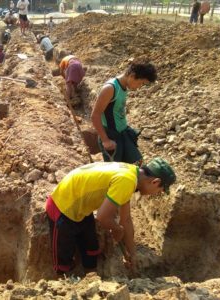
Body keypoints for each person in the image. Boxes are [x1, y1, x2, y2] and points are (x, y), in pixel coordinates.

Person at [46, 158, 176, 274]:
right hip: (62, 207)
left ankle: (92, 282)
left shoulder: (132, 174)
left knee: (91, 249)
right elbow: (102, 217)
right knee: (63, 260)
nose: (156, 194)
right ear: (155, 182)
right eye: (160, 190)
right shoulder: (126, 181)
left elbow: (126, 220)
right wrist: (116, 229)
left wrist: (132, 254)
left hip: (80, 206)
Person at [91, 60, 157, 165]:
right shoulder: (111, 88)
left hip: (123, 133)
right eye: (140, 83)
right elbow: (95, 115)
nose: (139, 87)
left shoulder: (124, 87)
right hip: (111, 135)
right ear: (132, 75)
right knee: (116, 171)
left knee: (136, 163)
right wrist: (105, 140)